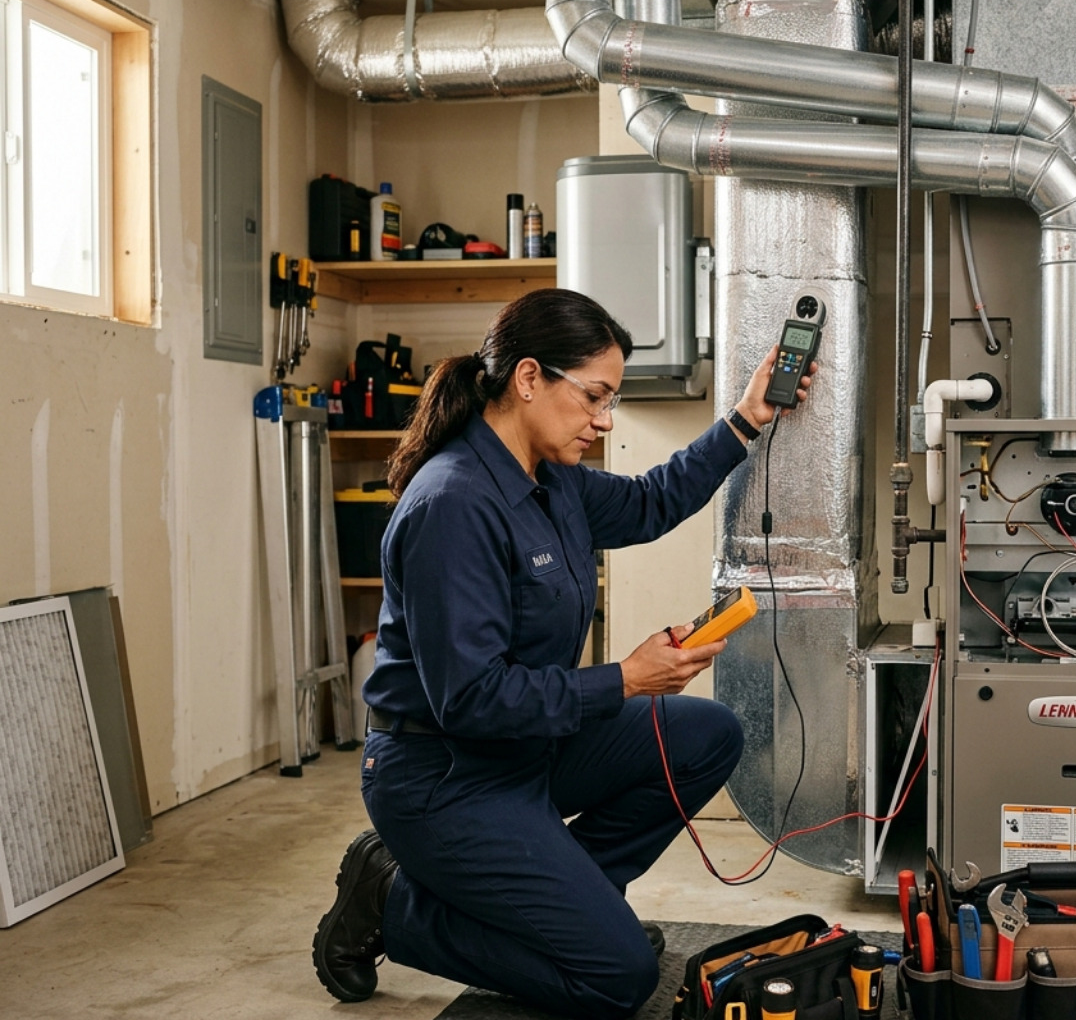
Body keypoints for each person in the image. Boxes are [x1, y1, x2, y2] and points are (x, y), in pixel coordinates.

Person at [312, 288, 814, 1018]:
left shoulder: (553, 481)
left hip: (529, 750)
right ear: (527, 379)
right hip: (444, 779)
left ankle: (574, 911)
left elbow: (650, 501)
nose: (604, 420)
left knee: (709, 735)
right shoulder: (451, 505)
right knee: (617, 979)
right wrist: (625, 679)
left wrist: (746, 418)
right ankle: (391, 902)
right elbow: (472, 698)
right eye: (593, 397)